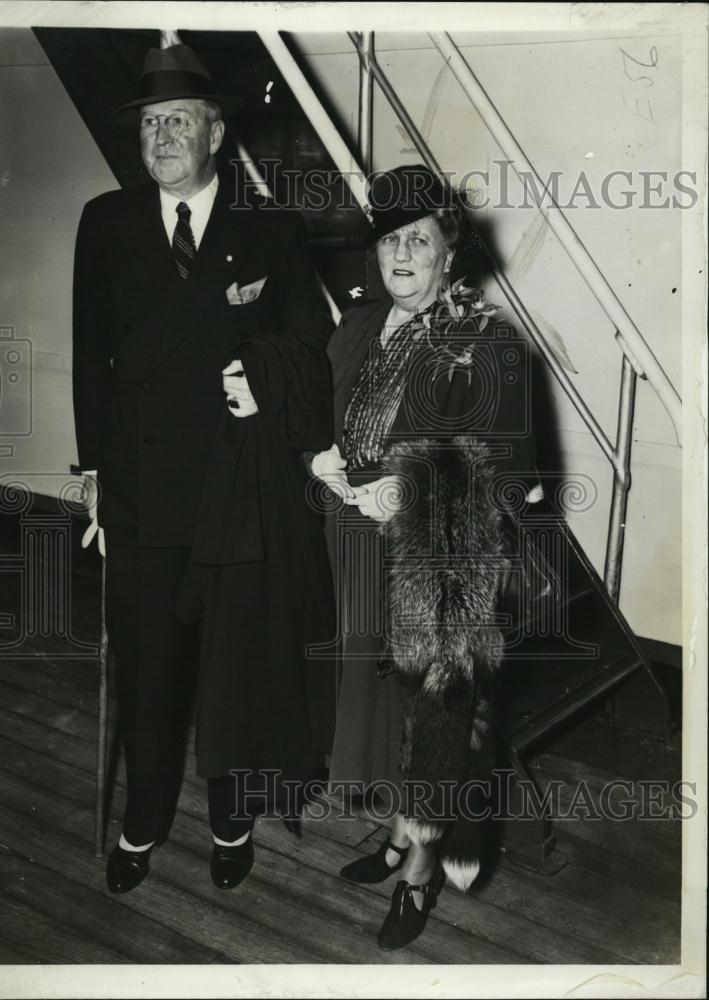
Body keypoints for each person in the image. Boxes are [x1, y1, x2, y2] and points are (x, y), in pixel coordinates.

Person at [72, 41, 335, 895]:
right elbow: (90, 361)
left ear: (216, 133)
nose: (163, 137)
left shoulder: (270, 228)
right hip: (141, 496)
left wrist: (262, 376)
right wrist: (96, 478)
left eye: (179, 121)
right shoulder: (105, 222)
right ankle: (144, 819)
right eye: (151, 123)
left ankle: (232, 820)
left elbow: (308, 343)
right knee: (150, 672)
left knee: (235, 672)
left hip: (235, 496)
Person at [309, 165, 540, 950]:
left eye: (418, 240)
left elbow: (511, 469)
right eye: (389, 241)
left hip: (439, 554)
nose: (401, 254)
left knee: (439, 710)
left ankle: (421, 868)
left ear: (449, 253)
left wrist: (410, 489)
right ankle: (399, 833)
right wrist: (320, 459)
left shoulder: (485, 339)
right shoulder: (356, 325)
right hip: (352, 539)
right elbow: (320, 417)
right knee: (388, 703)